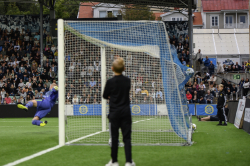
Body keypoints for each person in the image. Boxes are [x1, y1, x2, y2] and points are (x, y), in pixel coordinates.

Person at [103, 57, 135, 166]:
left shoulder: (110, 82)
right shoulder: (127, 81)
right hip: (125, 113)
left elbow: (104, 95)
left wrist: (111, 96)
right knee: (127, 138)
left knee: (114, 138)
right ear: (124, 68)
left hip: (114, 113)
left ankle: (114, 161)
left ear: (112, 69)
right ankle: (129, 162)